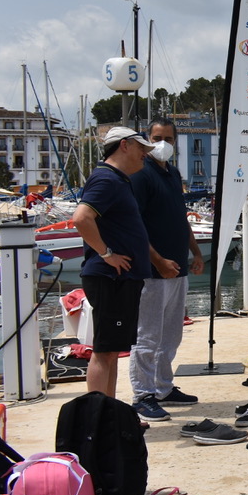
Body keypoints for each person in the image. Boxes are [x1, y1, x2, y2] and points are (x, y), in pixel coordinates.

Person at [128, 118, 205, 422]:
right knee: (146, 335)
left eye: (169, 138)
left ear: (176, 141)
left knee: (171, 334)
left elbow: (180, 218)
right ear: (147, 139)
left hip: (177, 268)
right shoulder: (140, 175)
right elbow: (134, 225)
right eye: (157, 137)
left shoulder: (173, 174)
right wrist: (158, 260)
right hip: (151, 269)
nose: (163, 143)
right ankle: (142, 395)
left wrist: (196, 252)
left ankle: (163, 387)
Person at [71, 127, 154, 397]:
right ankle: (97, 415)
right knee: (104, 350)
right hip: (111, 278)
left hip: (121, 279)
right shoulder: (107, 179)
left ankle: (111, 412)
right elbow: (81, 218)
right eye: (142, 148)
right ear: (125, 146)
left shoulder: (118, 180)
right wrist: (107, 254)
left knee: (112, 350)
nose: (145, 154)